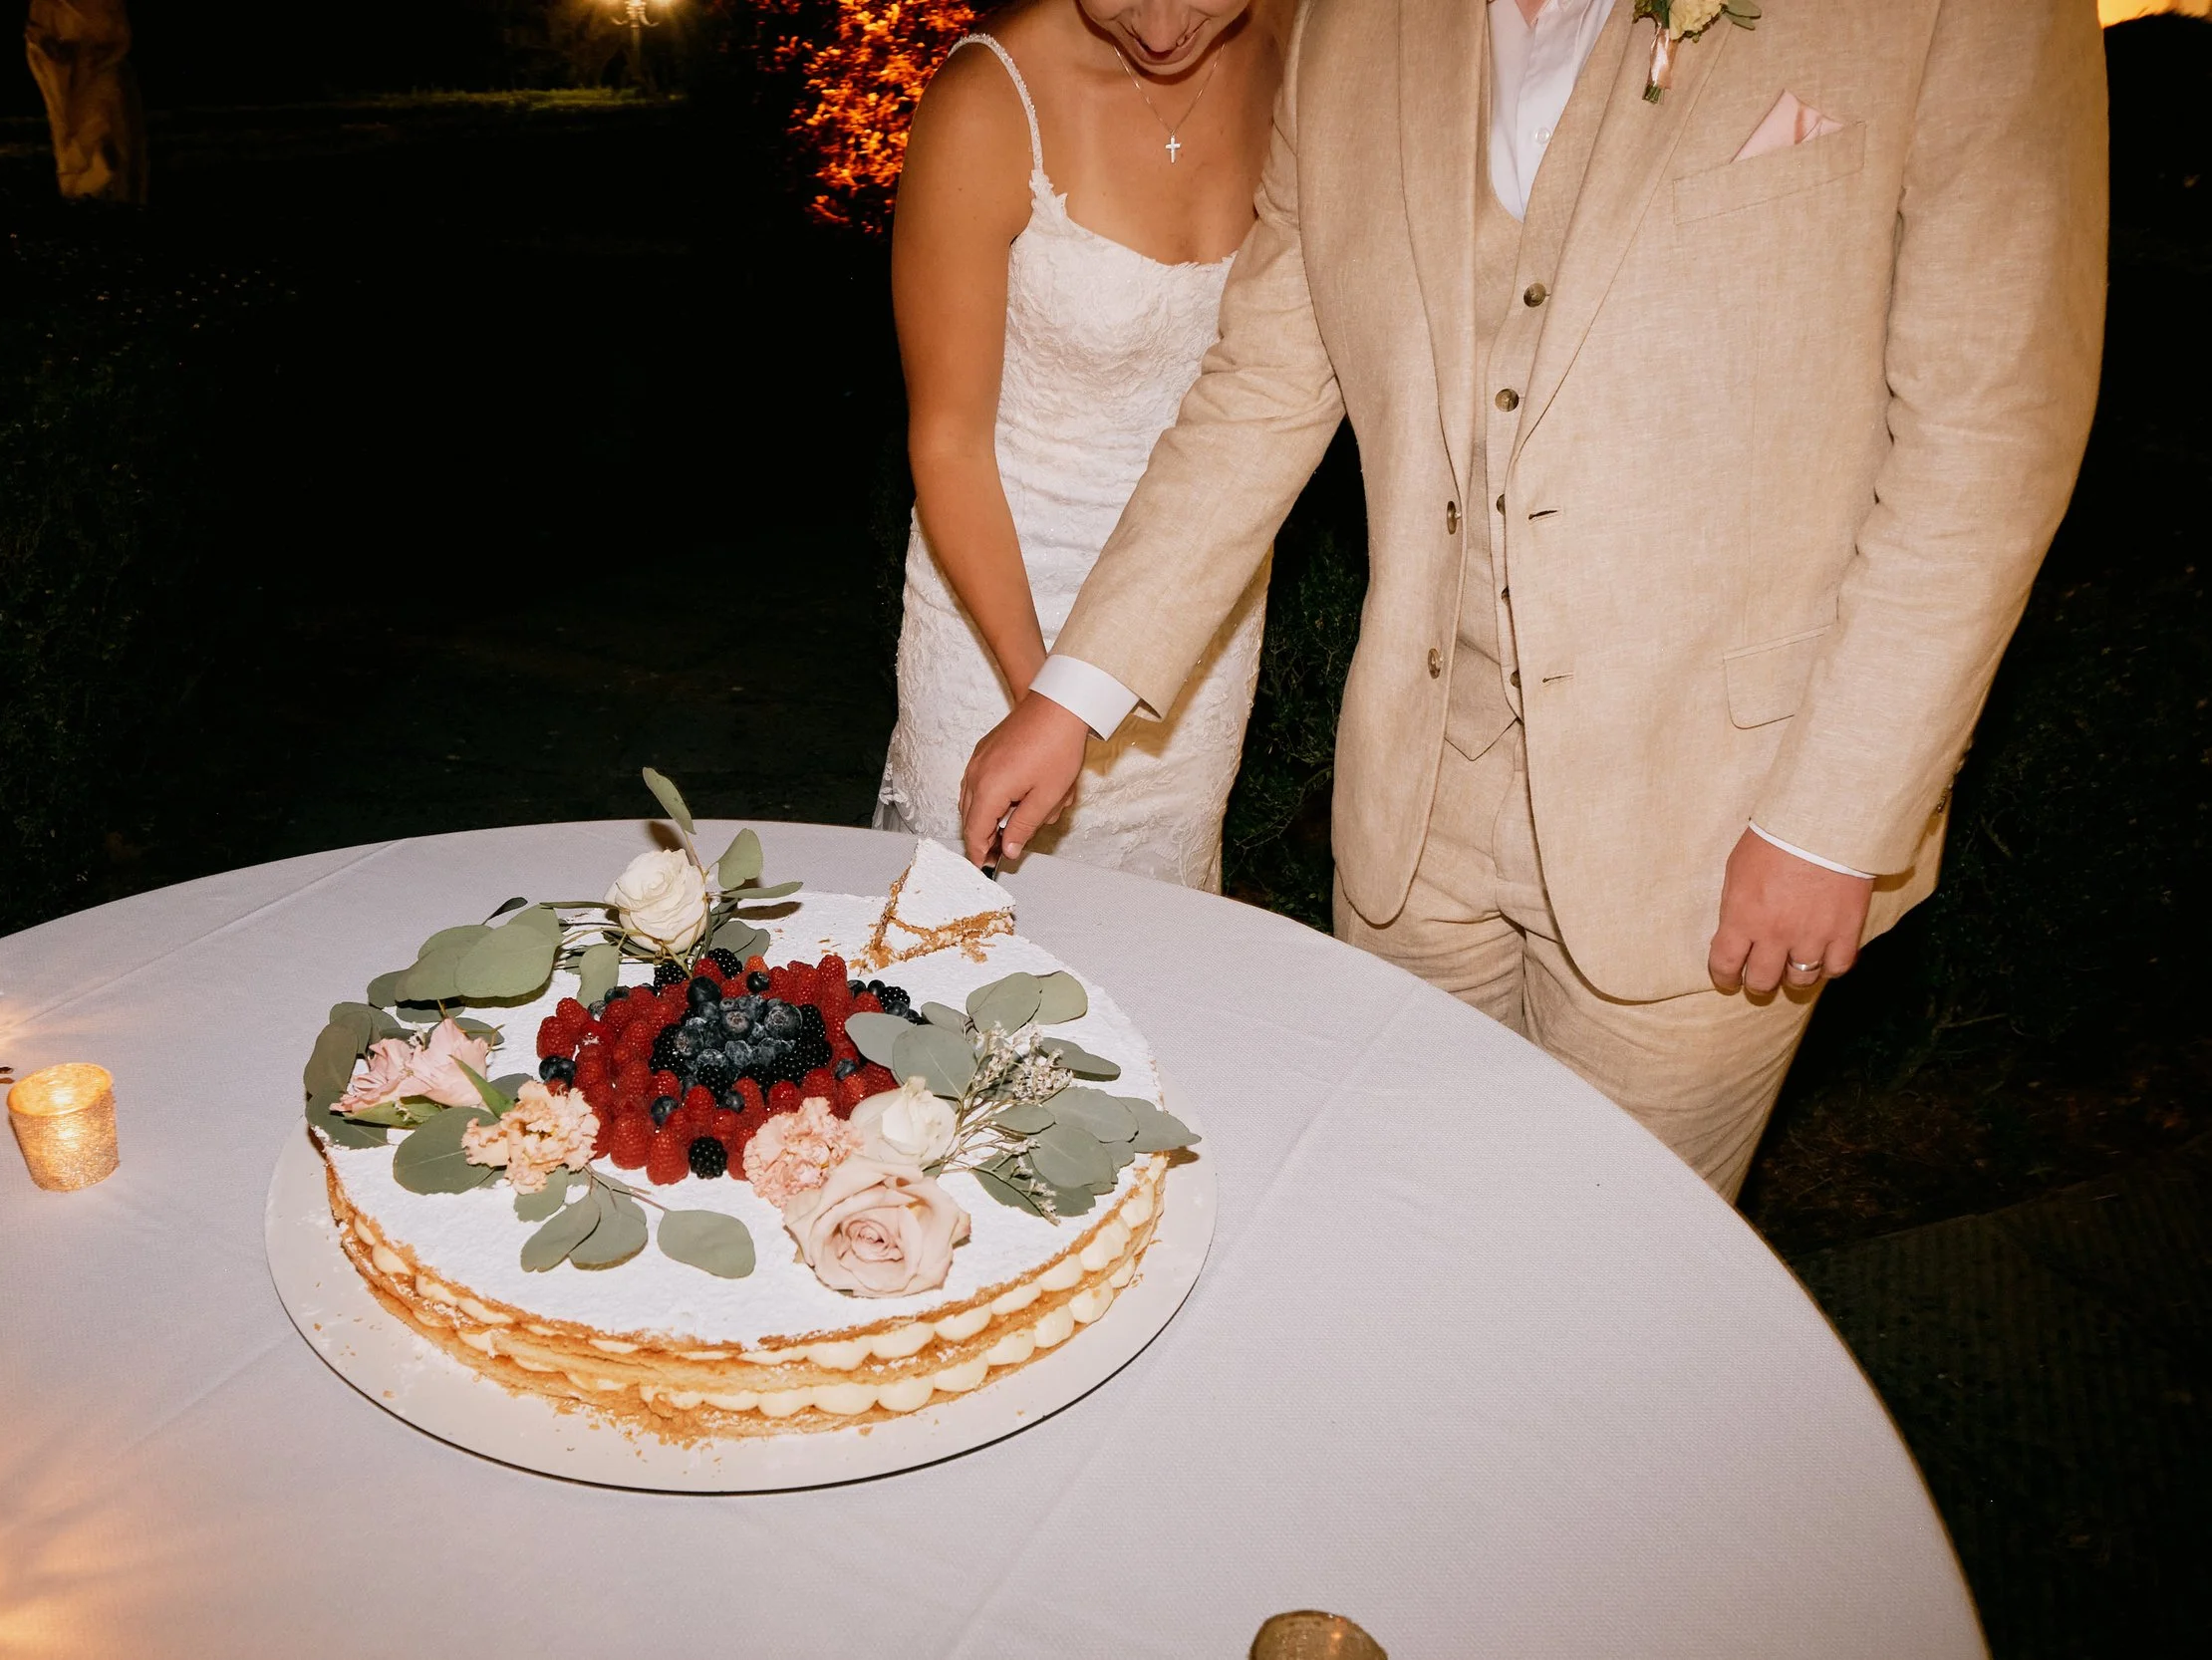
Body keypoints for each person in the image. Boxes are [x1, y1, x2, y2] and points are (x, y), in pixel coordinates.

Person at [962, 0, 2106, 1195]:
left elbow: (1986, 438)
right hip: (1413, 808)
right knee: (1401, 1217)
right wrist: (1073, 690)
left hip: (1717, 825)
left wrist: (1832, 817)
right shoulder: (1347, 27)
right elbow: (1264, 384)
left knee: (1616, 1289)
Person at [875, 0, 1296, 890]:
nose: (1159, 25)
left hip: (1197, 624)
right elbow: (950, 443)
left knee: (1159, 956)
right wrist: (1047, 694)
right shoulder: (989, 99)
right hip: (1003, 622)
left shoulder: (1309, 51)